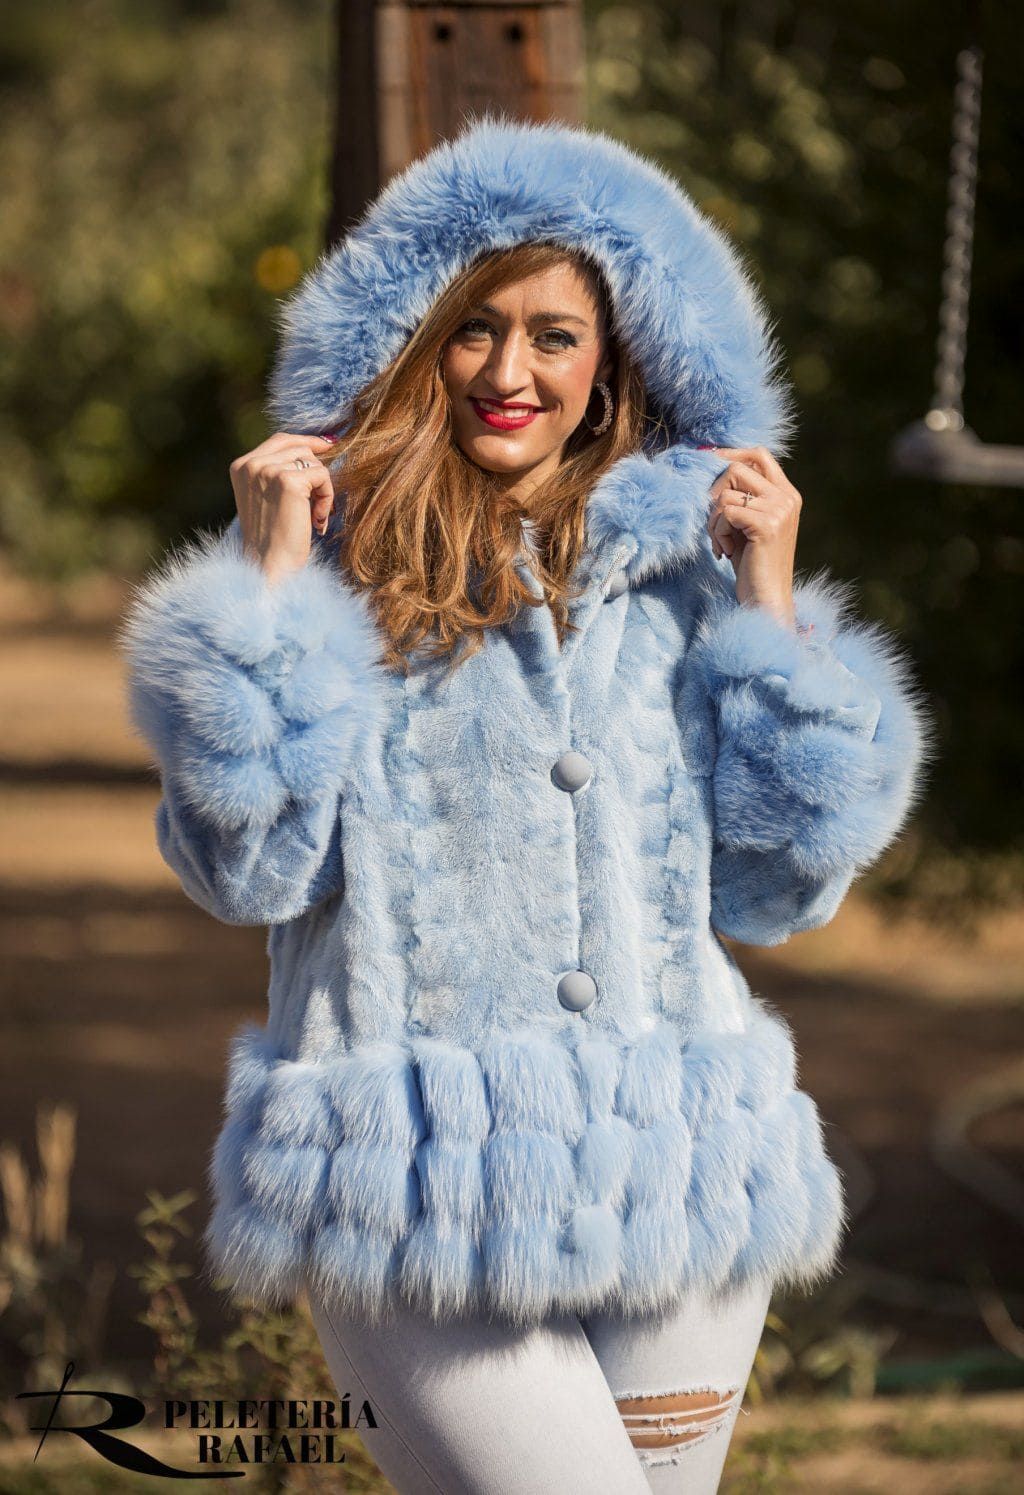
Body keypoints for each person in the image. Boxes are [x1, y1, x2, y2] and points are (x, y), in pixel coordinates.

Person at [117, 117, 935, 1492]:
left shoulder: (687, 589)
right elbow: (245, 872)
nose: (511, 372)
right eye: (473, 330)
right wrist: (263, 596)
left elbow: (785, 892)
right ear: (414, 344)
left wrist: (771, 605)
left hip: (677, 1176)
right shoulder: (334, 580)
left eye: (556, 335)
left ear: (619, 357)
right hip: (418, 1191)